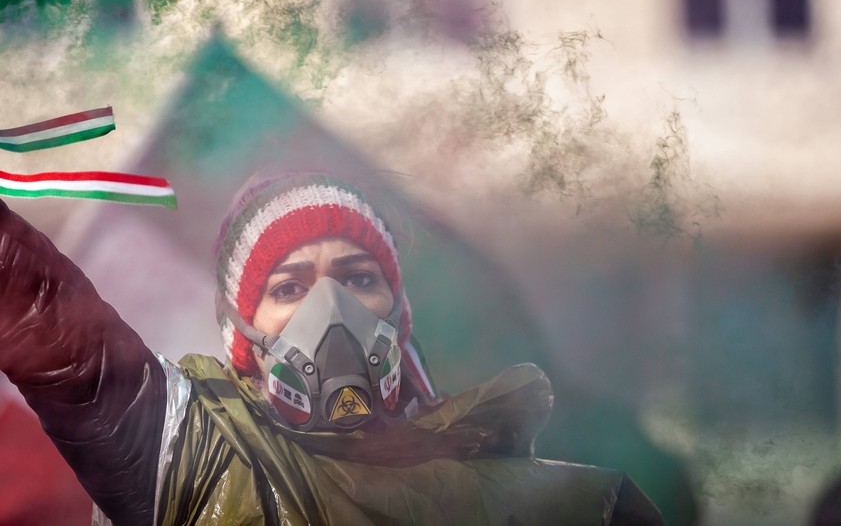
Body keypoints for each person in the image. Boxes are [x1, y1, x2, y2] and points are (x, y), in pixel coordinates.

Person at [0, 170, 665, 525]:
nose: (330, 310)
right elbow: (52, 322)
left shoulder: (574, 508)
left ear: (398, 315)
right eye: (289, 287)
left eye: (357, 279)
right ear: (243, 337)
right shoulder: (196, 468)